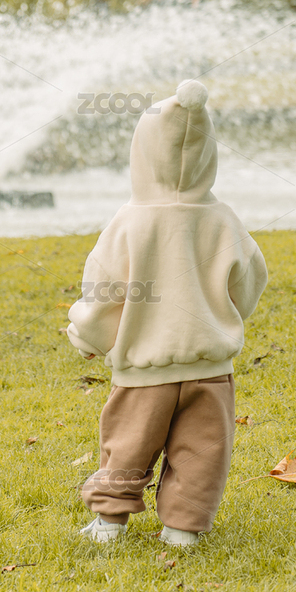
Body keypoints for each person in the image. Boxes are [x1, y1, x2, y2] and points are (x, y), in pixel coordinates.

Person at [66, 79, 268, 547]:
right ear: (207, 154)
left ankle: (110, 522)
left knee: (129, 444)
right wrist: (226, 312)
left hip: (143, 366)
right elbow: (249, 282)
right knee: (202, 450)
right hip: (208, 366)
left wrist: (89, 337)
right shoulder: (223, 220)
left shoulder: (129, 222)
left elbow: (102, 291)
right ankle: (183, 527)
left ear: (142, 153)